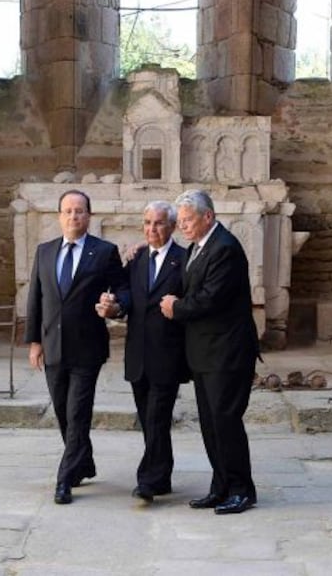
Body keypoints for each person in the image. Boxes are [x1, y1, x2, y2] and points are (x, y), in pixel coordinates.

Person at [25, 189, 128, 505]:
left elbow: (122, 288)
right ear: (59, 216)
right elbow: (36, 299)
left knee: (77, 411)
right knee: (62, 412)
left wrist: (115, 305)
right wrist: (34, 342)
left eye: (80, 211)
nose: (74, 216)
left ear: (89, 216)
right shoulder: (44, 252)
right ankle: (83, 461)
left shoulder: (104, 251)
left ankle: (64, 478)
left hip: (87, 347)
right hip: (53, 346)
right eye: (68, 211)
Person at [160, 189, 260, 515]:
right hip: (204, 354)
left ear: (208, 217)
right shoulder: (197, 248)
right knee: (210, 423)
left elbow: (210, 299)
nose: (183, 226)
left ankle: (242, 490)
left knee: (226, 421)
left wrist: (176, 307)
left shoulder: (225, 249)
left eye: (188, 220)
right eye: (181, 221)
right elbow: (186, 281)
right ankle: (221, 487)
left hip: (227, 353)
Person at [96, 201, 190, 503]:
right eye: (147, 223)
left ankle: (148, 480)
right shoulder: (136, 260)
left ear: (172, 226)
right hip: (137, 354)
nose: (152, 229)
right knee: (148, 419)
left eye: (159, 223)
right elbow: (126, 293)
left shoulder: (185, 260)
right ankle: (162, 475)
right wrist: (116, 306)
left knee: (157, 417)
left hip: (168, 353)